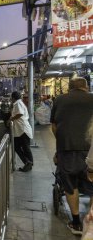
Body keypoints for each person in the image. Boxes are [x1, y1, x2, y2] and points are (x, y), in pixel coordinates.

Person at [50, 77, 93, 235]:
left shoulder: (60, 100)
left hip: (67, 150)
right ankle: (90, 223)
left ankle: (76, 223)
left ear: (70, 88)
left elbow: (54, 126)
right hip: (91, 150)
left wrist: (62, 143)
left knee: (70, 185)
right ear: (86, 87)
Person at [9, 91, 33, 172]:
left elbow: (20, 113)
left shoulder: (17, 103)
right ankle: (28, 163)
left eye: (11, 98)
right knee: (19, 147)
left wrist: (11, 119)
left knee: (24, 147)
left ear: (13, 98)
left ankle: (28, 163)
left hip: (22, 130)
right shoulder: (19, 103)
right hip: (21, 130)